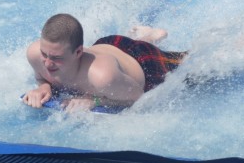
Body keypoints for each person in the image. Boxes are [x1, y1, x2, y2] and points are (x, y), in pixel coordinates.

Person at [23, 13, 187, 113]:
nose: (47, 64)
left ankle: (150, 39)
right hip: (108, 47)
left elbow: (139, 97)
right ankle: (149, 35)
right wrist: (43, 87)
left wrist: (93, 101)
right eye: (45, 54)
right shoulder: (35, 54)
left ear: (78, 52)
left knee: (188, 64)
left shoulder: (103, 78)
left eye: (57, 58)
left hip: (144, 63)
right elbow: (42, 76)